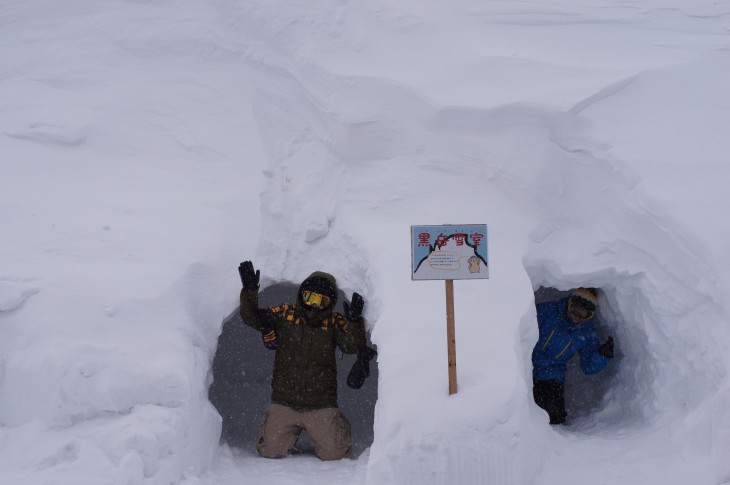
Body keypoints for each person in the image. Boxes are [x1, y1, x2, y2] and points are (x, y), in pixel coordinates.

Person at [237, 261, 373, 460]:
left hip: (320, 404)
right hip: (285, 401)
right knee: (269, 450)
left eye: (321, 301)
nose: (314, 306)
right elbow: (253, 318)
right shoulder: (286, 314)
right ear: (302, 294)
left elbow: (351, 346)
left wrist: (353, 321)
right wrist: (250, 291)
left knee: (335, 453)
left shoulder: (333, 321)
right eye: (310, 298)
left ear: (330, 303)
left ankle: (335, 426)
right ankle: (284, 428)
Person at [531, 288, 614, 425]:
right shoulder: (547, 311)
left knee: (553, 418)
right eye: (574, 309)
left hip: (552, 374)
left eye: (584, 314)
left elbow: (588, 366)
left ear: (590, 315)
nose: (577, 317)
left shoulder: (586, 333)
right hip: (527, 365)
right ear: (569, 303)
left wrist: (602, 356)